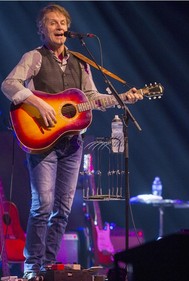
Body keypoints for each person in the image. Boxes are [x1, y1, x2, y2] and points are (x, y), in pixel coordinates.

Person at [1, 4, 143, 280]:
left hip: (72, 144)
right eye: (52, 23)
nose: (59, 27)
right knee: (42, 205)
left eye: (62, 23)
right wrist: (37, 103)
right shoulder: (34, 57)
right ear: (42, 30)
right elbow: (9, 84)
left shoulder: (81, 61)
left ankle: (49, 267)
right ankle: (32, 266)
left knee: (63, 209)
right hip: (42, 141)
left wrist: (123, 97)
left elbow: (94, 97)